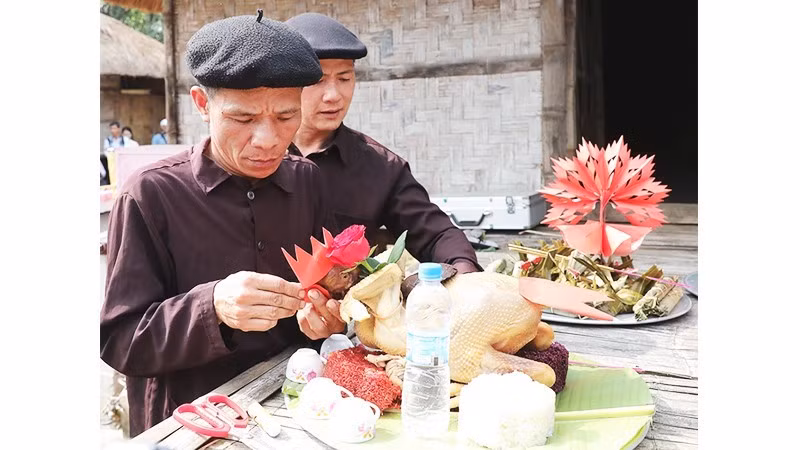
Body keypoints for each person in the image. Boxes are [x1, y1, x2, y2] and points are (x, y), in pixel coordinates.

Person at [100, 11, 343, 437]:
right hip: (189, 425)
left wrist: (328, 314)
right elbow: (120, 341)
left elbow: (327, 287)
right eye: (243, 119)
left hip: (291, 417)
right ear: (201, 104)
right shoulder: (149, 195)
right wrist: (210, 307)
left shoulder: (308, 181)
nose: (267, 139)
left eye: (286, 116)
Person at [285, 13, 481, 274]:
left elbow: (436, 234)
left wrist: (464, 269)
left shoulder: (380, 167)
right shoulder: (252, 156)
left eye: (344, 78)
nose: (334, 96)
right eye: (318, 81)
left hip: (344, 312)